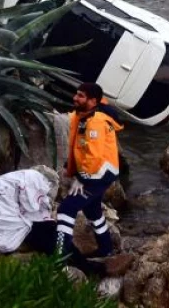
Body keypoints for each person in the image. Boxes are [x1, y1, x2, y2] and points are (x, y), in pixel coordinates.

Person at [56, 83, 125, 261]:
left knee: (66, 208)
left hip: (97, 175)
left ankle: (59, 256)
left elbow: (93, 156)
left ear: (93, 101)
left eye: (80, 96)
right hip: (103, 173)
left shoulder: (95, 123)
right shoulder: (87, 114)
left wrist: (80, 178)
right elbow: (74, 122)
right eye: (76, 94)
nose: (75, 98)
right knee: (92, 211)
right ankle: (106, 250)